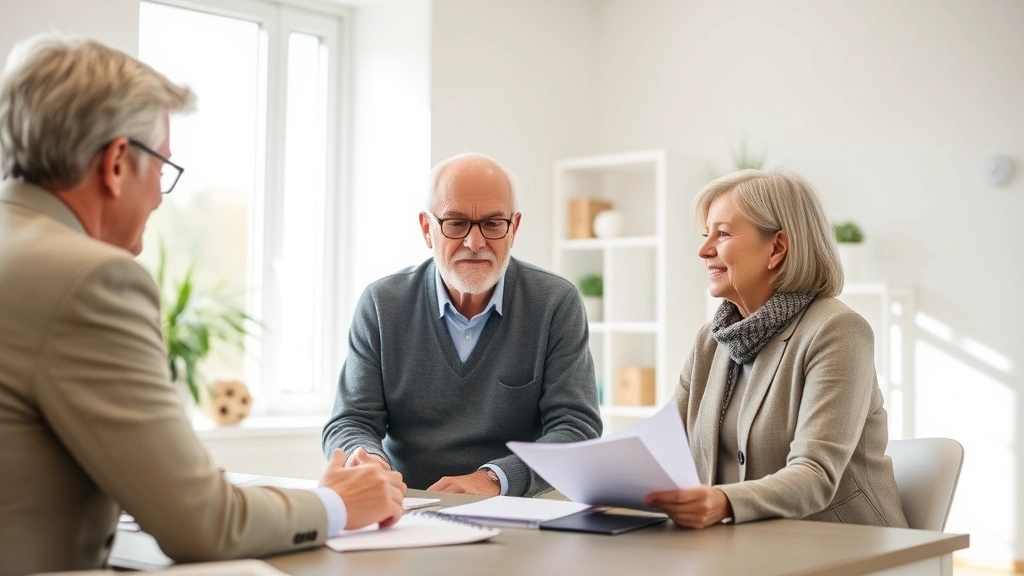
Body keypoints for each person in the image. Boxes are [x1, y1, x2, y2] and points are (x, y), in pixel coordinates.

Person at [0, 35, 405, 576]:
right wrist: (338, 503)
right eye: (163, 168)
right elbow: (204, 524)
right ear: (118, 163)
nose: (161, 197)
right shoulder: (90, 278)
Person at [322, 152, 603, 497]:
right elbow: (351, 421)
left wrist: (494, 479)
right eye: (455, 223)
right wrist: (365, 460)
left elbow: (578, 429)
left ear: (513, 229)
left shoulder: (555, 304)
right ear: (428, 229)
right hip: (407, 506)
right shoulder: (382, 303)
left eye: (492, 224)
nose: (475, 242)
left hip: (515, 508)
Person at [646, 170, 907, 529]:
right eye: (706, 235)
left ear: (778, 247)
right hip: (741, 545)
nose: (704, 250)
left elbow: (815, 473)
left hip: (845, 546)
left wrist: (723, 502)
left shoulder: (838, 331)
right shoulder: (711, 340)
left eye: (721, 234)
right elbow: (662, 449)